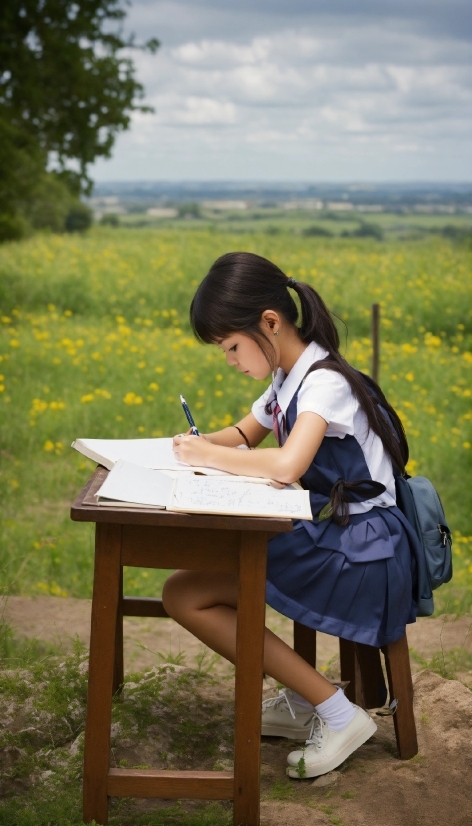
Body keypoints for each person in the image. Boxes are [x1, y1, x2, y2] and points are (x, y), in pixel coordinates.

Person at [163, 251, 419, 779]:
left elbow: (286, 464)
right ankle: (306, 699)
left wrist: (207, 456)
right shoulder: (286, 377)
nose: (230, 360)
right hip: (344, 538)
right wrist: (192, 444)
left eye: (231, 346)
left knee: (188, 592)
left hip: (368, 555)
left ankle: (334, 711)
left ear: (270, 324)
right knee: (196, 582)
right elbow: (241, 435)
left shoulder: (324, 382)